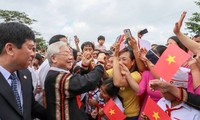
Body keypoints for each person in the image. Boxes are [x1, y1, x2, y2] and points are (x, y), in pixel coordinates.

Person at [45, 41, 107, 120]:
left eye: (70, 54)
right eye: (66, 54)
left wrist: (84, 66)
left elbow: (77, 78)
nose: (71, 57)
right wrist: (100, 63)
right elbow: (88, 82)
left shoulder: (59, 74)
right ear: (53, 58)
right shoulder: (57, 77)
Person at [0, 22, 46, 120]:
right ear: (10, 49)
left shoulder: (26, 74)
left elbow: (30, 105)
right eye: (30, 48)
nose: (34, 54)